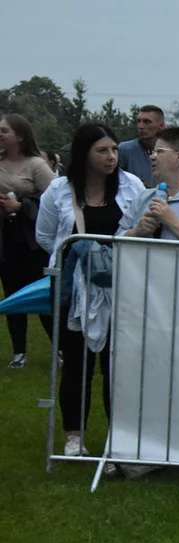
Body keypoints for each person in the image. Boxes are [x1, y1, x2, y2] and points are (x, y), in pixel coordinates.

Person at [36, 123, 144, 455]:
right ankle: (73, 435)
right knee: (77, 362)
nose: (111, 156)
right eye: (102, 150)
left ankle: (119, 435)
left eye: (114, 149)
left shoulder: (132, 186)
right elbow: (46, 236)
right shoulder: (58, 190)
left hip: (121, 285)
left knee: (118, 363)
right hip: (72, 288)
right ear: (84, 154)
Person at [0, 114, 55, 368]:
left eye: (5, 130)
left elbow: (55, 199)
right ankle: (19, 352)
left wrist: (21, 205)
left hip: (31, 240)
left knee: (42, 293)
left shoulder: (36, 165)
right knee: (12, 294)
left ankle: (61, 348)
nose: (0, 134)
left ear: (20, 136)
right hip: (5, 237)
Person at [118, 105, 165, 187]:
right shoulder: (125, 150)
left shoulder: (172, 151)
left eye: (147, 122)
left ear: (161, 126)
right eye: (138, 121)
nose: (141, 126)